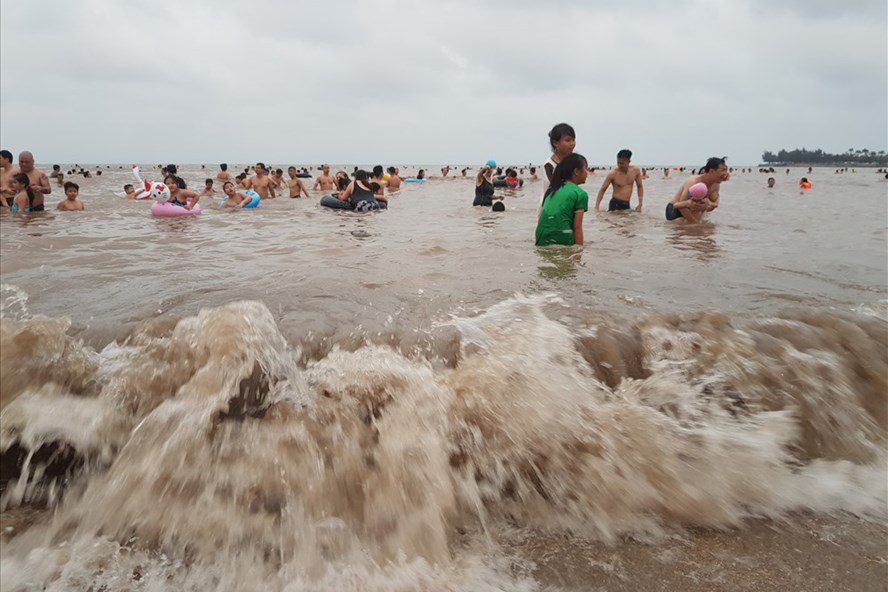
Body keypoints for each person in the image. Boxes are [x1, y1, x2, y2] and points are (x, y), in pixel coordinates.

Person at [535, 153, 589, 246]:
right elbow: (577, 228)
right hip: (562, 238)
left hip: (540, 237)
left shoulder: (553, 190)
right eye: (586, 169)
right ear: (576, 171)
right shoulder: (580, 194)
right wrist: (579, 254)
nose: (587, 172)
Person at [665, 157, 726, 223]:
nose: (725, 174)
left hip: (691, 210)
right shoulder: (693, 182)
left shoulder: (716, 185)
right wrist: (695, 223)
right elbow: (681, 207)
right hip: (675, 210)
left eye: (726, 171)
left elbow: (710, 207)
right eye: (722, 171)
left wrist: (707, 205)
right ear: (711, 171)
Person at [541, 123, 576, 206]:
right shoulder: (549, 165)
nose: (572, 143)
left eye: (573, 140)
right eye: (568, 140)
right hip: (550, 208)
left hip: (565, 207)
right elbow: (557, 188)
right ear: (556, 143)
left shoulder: (572, 162)